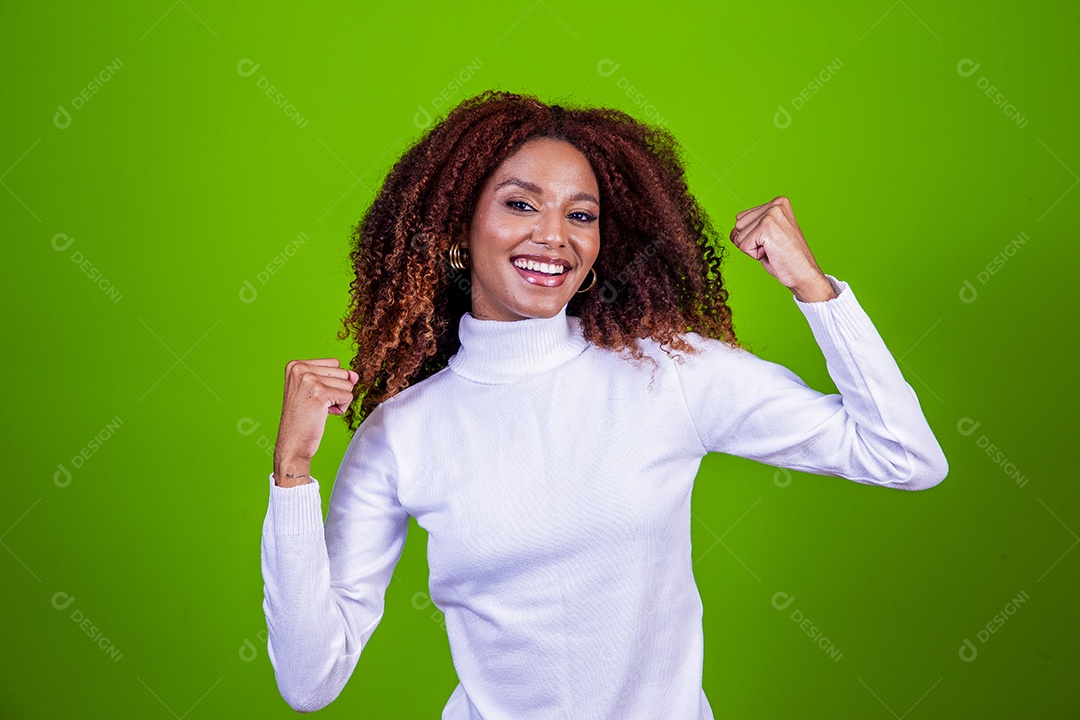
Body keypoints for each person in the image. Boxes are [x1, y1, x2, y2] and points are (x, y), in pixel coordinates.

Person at [260, 90, 948, 718]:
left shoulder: (669, 373)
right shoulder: (402, 434)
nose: (553, 235)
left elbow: (903, 456)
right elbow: (309, 679)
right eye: (520, 204)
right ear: (456, 227)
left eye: (580, 214)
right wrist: (292, 474)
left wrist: (812, 287)